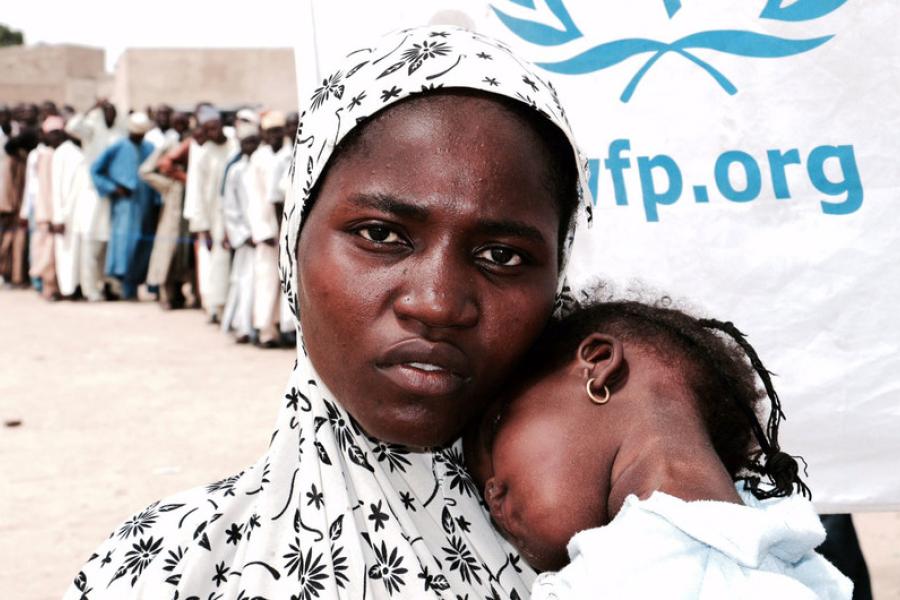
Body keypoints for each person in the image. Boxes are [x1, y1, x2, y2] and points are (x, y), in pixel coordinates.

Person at [64, 26, 590, 598]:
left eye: (501, 255)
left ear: (559, 278)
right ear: (295, 241)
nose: (436, 304)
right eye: (381, 234)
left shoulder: (625, 559)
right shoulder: (164, 570)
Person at [464, 298, 852, 598]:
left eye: (497, 428)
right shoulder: (793, 562)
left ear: (598, 365)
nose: (491, 491)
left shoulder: (622, 573)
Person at [90, 112, 160, 300]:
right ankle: (119, 286)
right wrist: (114, 188)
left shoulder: (151, 148)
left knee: (143, 246)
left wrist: (157, 202)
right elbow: (96, 170)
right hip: (125, 207)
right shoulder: (117, 146)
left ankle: (135, 286)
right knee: (123, 246)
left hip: (146, 206)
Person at [183, 105, 236, 323]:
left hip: (238, 212)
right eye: (208, 130)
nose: (212, 133)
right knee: (218, 262)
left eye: (215, 128)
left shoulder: (235, 144)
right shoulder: (204, 154)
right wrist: (202, 225)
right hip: (215, 217)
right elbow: (197, 190)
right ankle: (218, 308)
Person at [66, 99, 125, 301]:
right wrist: (92, 107)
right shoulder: (92, 129)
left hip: (115, 193)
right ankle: (90, 289)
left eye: (112, 110)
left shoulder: (120, 132)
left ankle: (108, 286)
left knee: (109, 244)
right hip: (92, 192)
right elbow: (72, 126)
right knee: (90, 242)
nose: (109, 113)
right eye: (105, 110)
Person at [140, 112, 194, 309]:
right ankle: (166, 293)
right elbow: (146, 171)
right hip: (174, 202)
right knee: (169, 248)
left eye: (183, 121)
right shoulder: (169, 144)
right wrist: (169, 185)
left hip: (195, 202)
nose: (180, 125)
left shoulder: (196, 141)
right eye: (176, 122)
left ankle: (187, 293)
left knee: (187, 251)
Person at [247, 110, 289, 347]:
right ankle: (265, 329)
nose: (275, 136)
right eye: (271, 132)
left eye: (278, 131)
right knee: (265, 278)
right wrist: (261, 230)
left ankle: (285, 327)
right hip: (265, 229)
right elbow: (253, 198)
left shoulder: (290, 153)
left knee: (285, 280)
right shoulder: (258, 158)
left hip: (285, 228)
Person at [221, 123, 262, 342]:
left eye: (254, 142)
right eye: (247, 143)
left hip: (265, 237)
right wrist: (243, 233)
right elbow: (230, 206)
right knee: (244, 282)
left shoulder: (264, 165)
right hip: (247, 237)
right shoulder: (236, 171)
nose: (251, 147)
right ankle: (244, 326)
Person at [50, 126, 93, 298]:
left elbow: (57, 187)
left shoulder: (63, 153)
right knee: (75, 251)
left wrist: (58, 216)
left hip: (68, 213)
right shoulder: (77, 153)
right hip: (77, 212)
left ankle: (69, 289)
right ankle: (73, 288)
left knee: (67, 252)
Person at [28, 116, 67, 300]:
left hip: (57, 212)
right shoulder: (45, 156)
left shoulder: (60, 154)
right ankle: (48, 288)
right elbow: (43, 189)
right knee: (46, 253)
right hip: (46, 213)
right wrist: (49, 215)